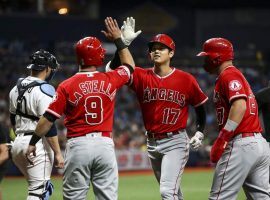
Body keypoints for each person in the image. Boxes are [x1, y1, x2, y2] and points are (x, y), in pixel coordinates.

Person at [26, 17, 135, 200]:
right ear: (99, 56)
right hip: (104, 145)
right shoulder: (109, 79)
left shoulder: (67, 85)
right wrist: (120, 41)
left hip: (78, 145)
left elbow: (47, 119)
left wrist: (33, 141)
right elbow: (129, 66)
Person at [107, 17, 208, 200]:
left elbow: (200, 106)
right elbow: (112, 70)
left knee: (166, 191)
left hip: (175, 141)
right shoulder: (141, 76)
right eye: (153, 49)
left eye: (161, 48)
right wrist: (123, 43)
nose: (156, 51)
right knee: (173, 192)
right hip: (152, 143)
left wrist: (200, 131)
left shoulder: (186, 79)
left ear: (171, 53)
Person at [197, 37, 270, 200]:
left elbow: (240, 106)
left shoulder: (229, 75)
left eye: (206, 56)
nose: (204, 60)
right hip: (257, 144)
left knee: (219, 198)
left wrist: (223, 138)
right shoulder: (234, 75)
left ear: (217, 58)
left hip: (241, 144)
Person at [9, 49, 64, 200]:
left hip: (18, 143)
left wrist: (20, 138)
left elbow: (12, 119)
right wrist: (58, 153)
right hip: (36, 144)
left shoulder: (16, 88)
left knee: (40, 189)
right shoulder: (45, 90)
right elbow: (48, 124)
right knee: (39, 192)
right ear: (47, 69)